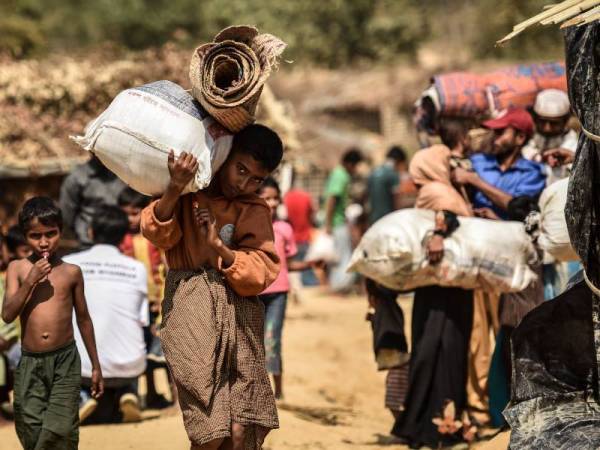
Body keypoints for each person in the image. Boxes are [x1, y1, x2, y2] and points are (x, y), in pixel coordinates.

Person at [141, 124, 283, 450]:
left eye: (256, 179)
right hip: (190, 305)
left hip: (240, 317)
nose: (244, 184)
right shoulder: (189, 192)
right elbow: (157, 232)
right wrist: (175, 187)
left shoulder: (254, 209)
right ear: (225, 155)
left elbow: (261, 271)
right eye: (241, 170)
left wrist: (220, 247)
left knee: (239, 429)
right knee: (209, 431)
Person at [452, 109, 547, 427]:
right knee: (477, 336)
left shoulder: (533, 172)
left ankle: (511, 408)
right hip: (476, 260)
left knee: (508, 335)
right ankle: (481, 411)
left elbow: (521, 207)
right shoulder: (479, 162)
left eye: (502, 132)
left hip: (512, 265)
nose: (495, 137)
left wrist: (478, 183)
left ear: (520, 138)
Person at [392, 120, 474, 448]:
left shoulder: (442, 190)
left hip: (438, 283)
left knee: (435, 346)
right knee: (444, 347)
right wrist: (441, 233)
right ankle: (439, 422)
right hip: (445, 284)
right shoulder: (439, 191)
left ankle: (434, 421)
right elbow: (446, 218)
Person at [2, 197, 103, 450]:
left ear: (61, 231)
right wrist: (31, 281)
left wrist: (96, 366)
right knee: (30, 425)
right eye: (36, 235)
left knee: (61, 426)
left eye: (51, 233)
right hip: (30, 362)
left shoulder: (71, 272)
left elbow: (83, 318)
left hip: (65, 361)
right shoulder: (17, 268)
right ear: (26, 236)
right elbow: (7, 314)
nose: (44, 242)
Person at [64, 206, 149, 424]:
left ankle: (81, 397)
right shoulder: (137, 268)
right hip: (130, 364)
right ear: (124, 236)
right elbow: (143, 320)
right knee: (132, 334)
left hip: (82, 368)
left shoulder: (70, 263)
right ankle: (128, 392)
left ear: (91, 232)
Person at [257, 177, 315, 400]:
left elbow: (287, 263)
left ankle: (278, 391)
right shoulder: (247, 227)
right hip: (253, 293)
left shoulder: (284, 229)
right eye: (266, 198)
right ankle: (259, 390)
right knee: (254, 343)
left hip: (278, 293)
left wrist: (309, 265)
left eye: (274, 198)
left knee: (272, 339)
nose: (271, 203)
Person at [117, 187, 172, 410]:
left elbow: (167, 268)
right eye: (126, 214)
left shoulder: (154, 237)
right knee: (142, 353)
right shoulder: (121, 242)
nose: (130, 219)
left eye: (135, 212)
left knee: (165, 352)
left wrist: (165, 298)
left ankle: (175, 398)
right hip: (134, 307)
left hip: (159, 301)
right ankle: (149, 393)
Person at [365, 279, 409, 422]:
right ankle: (402, 426)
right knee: (395, 399)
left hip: (399, 362)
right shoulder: (383, 310)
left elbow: (382, 287)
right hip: (397, 362)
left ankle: (402, 427)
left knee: (394, 399)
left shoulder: (387, 306)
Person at [59, 155, 126, 248]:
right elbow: (67, 213)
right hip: (88, 243)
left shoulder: (125, 174)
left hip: (122, 243)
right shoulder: (77, 177)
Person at [323, 148, 364, 292]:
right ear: (350, 164)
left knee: (338, 256)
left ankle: (338, 285)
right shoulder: (341, 176)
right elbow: (332, 199)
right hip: (337, 222)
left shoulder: (337, 174)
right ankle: (340, 286)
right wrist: (328, 224)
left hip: (336, 222)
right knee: (343, 256)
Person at [522, 89, 577, 185]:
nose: (547, 128)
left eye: (554, 123)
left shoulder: (574, 147)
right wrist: (538, 157)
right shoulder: (527, 138)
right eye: (542, 121)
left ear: (565, 121)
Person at [283, 182, 318, 286]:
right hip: (305, 236)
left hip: (291, 237)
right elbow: (312, 214)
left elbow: (285, 216)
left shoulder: (286, 198)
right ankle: (309, 287)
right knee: (306, 265)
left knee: (293, 267)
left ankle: (297, 287)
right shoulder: (306, 196)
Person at [366, 145, 409, 224]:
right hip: (387, 220)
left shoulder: (373, 172)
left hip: (373, 220)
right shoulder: (392, 174)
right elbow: (396, 200)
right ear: (398, 161)